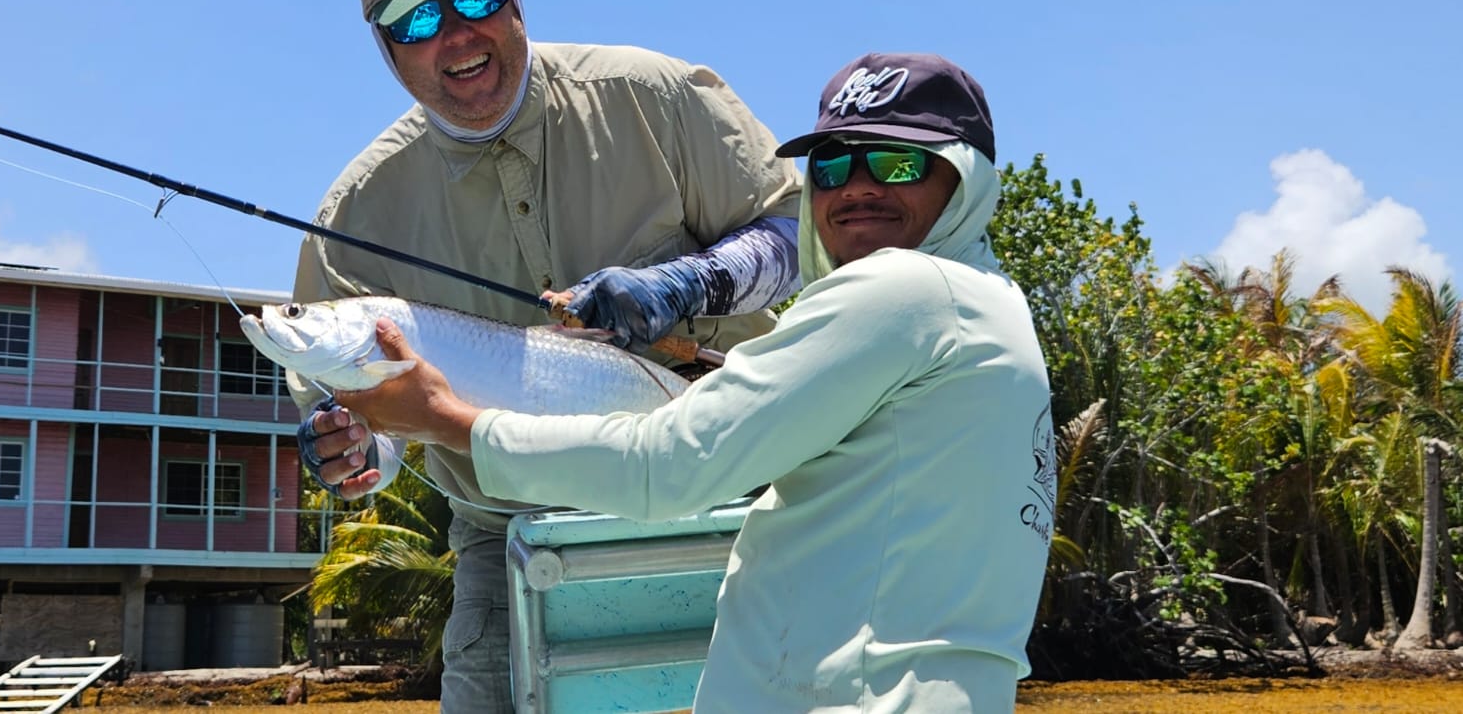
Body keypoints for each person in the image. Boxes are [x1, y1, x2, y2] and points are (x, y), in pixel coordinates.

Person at [320, 52, 1058, 713]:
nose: (855, 189)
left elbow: (671, 464)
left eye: (895, 164)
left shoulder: (898, 290)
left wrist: (447, 421)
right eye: (830, 169)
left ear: (966, 177)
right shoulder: (989, 303)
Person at [290, 0, 802, 713]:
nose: (457, 35)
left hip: (725, 498)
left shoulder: (655, 95)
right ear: (386, 47)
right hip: (503, 538)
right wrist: (358, 455)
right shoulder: (354, 215)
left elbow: (795, 233)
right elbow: (372, 426)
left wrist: (692, 283)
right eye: (419, 16)